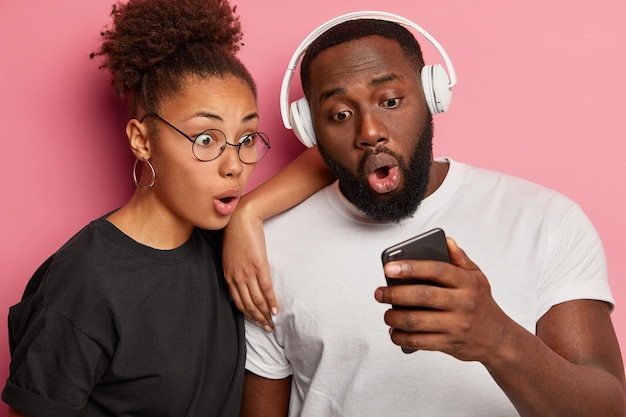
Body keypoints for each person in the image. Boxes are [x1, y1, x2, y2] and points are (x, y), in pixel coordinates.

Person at [228, 14, 626, 417]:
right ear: (310, 129)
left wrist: (497, 339)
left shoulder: (545, 221)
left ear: (433, 95)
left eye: (390, 100)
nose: (369, 131)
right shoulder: (267, 252)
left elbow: (607, 409)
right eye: (340, 114)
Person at [1, 0, 332, 415]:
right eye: (206, 139)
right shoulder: (87, 281)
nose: (234, 166)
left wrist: (250, 213)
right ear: (142, 140)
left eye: (246, 139)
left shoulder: (218, 241)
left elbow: (334, 154)